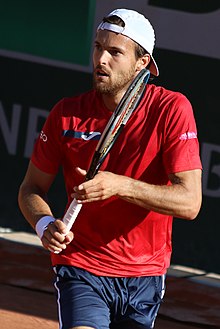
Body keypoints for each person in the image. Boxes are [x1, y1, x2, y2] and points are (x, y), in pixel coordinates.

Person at [18, 8, 202, 329]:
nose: (101, 59)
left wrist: (120, 186)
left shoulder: (172, 109)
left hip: (145, 274)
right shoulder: (66, 113)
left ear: (141, 62)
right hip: (80, 266)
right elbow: (30, 188)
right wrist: (44, 223)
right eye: (98, 47)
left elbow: (189, 203)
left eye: (115, 52)